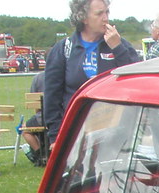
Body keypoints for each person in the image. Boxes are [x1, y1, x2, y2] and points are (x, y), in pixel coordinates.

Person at [44, 0, 140, 147]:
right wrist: (55, 137)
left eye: (107, 12)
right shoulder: (64, 49)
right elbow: (52, 96)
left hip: (117, 134)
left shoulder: (119, 44)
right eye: (99, 13)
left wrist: (117, 48)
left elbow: (135, 81)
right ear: (83, 18)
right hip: (76, 134)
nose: (106, 18)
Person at [21, 69, 46, 166]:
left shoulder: (38, 78)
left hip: (43, 116)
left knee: (25, 130)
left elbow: (35, 104)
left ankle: (40, 154)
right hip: (63, 115)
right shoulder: (64, 74)